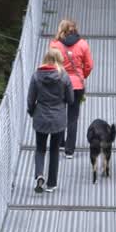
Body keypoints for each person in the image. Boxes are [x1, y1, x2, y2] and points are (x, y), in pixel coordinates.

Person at [27, 47, 73, 193]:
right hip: (58, 119)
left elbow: (30, 99)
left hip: (40, 117)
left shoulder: (36, 76)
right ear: (59, 59)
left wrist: (31, 111)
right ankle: (51, 184)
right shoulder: (64, 77)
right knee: (54, 150)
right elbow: (71, 99)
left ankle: (39, 175)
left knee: (40, 149)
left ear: (46, 59)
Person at [49, 19, 93, 159]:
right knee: (73, 117)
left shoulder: (54, 45)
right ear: (74, 29)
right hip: (77, 86)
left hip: (60, 83)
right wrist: (82, 76)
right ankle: (69, 151)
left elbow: (50, 64)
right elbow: (89, 65)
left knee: (59, 113)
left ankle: (60, 143)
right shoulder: (83, 44)